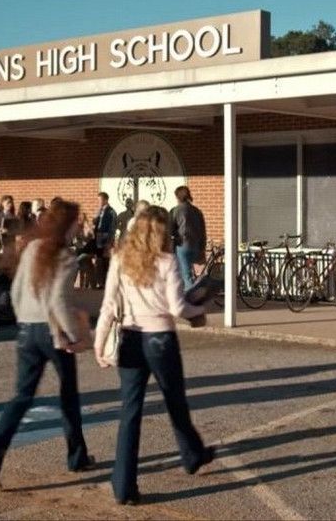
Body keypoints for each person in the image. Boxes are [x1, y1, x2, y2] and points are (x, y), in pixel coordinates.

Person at [0, 199, 95, 493]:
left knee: (21, 398)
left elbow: (15, 291)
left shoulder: (32, 249)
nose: (80, 225)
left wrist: (24, 319)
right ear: (68, 224)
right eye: (77, 221)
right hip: (52, 332)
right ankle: (76, 457)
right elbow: (58, 302)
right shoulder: (65, 256)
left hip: (26, 330)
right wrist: (71, 335)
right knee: (68, 394)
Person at [94, 206, 214, 505]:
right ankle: (192, 455)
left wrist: (99, 344)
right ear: (161, 232)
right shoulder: (167, 261)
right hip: (160, 338)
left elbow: (108, 305)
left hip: (130, 338)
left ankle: (123, 486)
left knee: (130, 412)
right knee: (175, 401)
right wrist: (200, 311)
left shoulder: (121, 259)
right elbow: (177, 308)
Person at [170, 186, 206, 290]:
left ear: (178, 197)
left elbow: (171, 228)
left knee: (186, 276)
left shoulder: (176, 211)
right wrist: (202, 248)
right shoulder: (197, 211)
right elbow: (202, 231)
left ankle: (191, 299)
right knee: (188, 273)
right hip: (195, 245)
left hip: (182, 245)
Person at [93, 192, 117, 289]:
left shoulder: (111, 212)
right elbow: (95, 222)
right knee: (99, 260)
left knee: (106, 261)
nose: (98, 202)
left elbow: (112, 227)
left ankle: (107, 283)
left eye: (100, 200)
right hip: (98, 237)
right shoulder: (99, 211)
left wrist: (109, 241)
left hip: (106, 238)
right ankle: (100, 283)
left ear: (105, 200)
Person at [73, 212, 97, 289]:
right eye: (80, 219)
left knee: (86, 265)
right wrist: (82, 245)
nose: (82, 221)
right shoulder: (76, 229)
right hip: (80, 251)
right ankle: (82, 285)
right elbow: (75, 241)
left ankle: (87, 285)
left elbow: (91, 239)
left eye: (83, 219)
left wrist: (85, 244)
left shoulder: (88, 228)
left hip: (85, 251)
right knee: (80, 266)